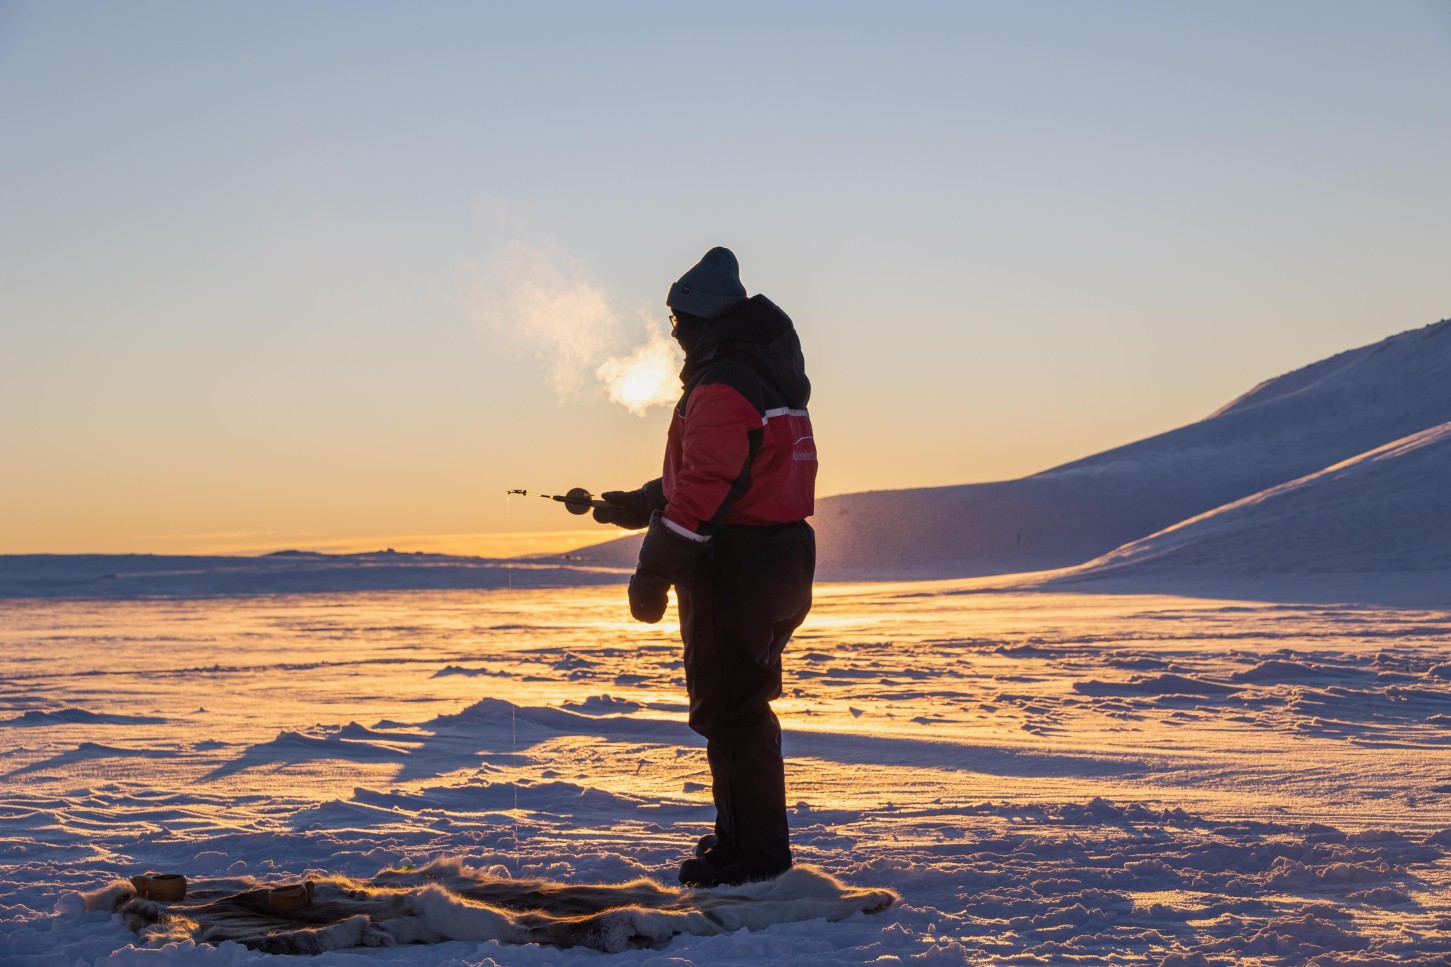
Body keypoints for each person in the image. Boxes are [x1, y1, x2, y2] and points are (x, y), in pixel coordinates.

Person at [593, 247, 817, 888]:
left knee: (732, 712)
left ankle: (754, 860)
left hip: (735, 566)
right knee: (741, 706)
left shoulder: (722, 382)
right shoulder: (761, 374)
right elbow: (719, 473)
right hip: (780, 557)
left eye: (676, 319)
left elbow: (707, 490)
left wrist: (651, 574)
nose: (672, 332)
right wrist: (638, 504)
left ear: (701, 319)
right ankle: (742, 843)